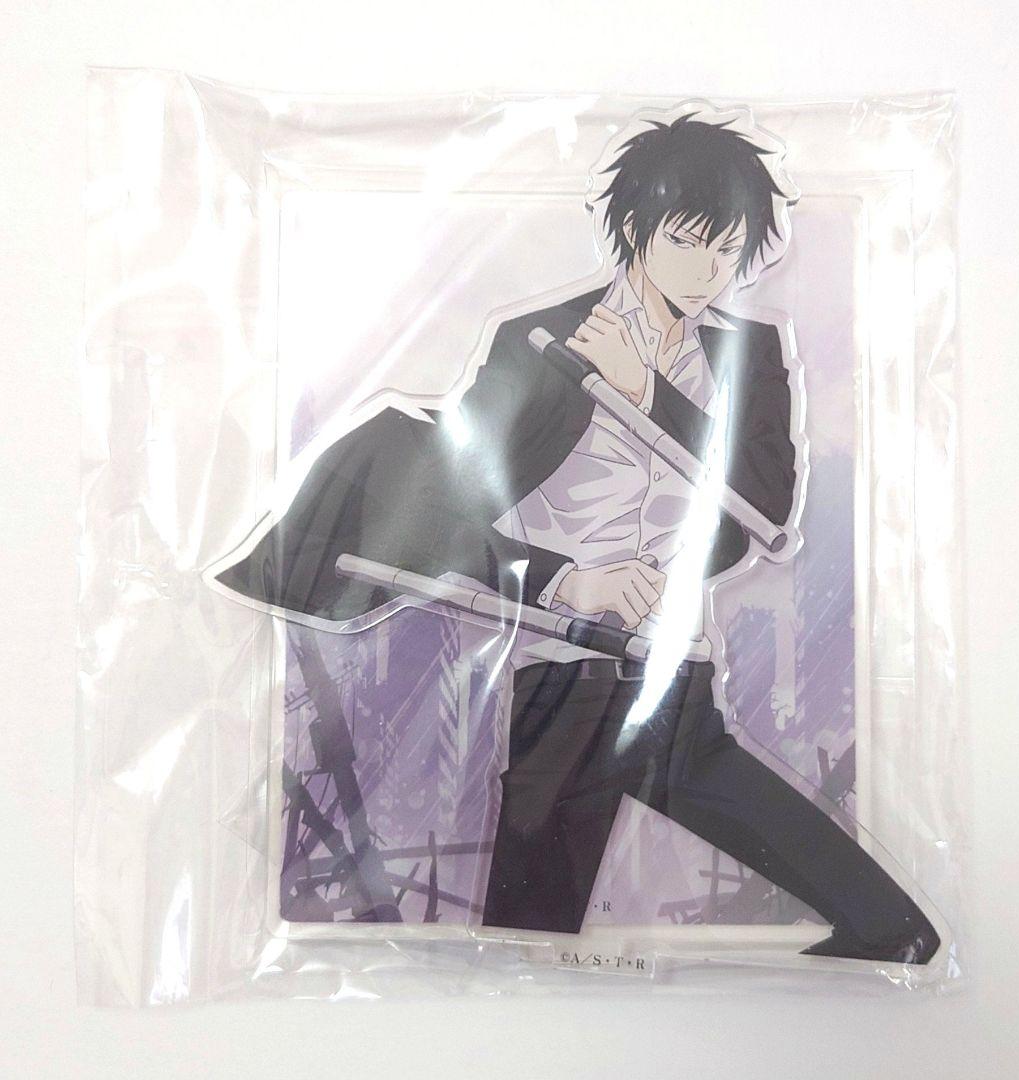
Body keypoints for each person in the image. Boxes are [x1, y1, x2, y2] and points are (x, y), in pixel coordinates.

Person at [215, 114, 939, 963]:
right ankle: (885, 928)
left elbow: (763, 515)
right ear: (634, 226)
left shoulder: (751, 350)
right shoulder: (540, 342)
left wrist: (649, 394)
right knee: (539, 920)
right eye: (685, 242)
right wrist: (566, 581)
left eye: (725, 249)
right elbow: (455, 505)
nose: (706, 271)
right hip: (558, 657)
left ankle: (887, 929)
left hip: (670, 656)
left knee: (537, 926)